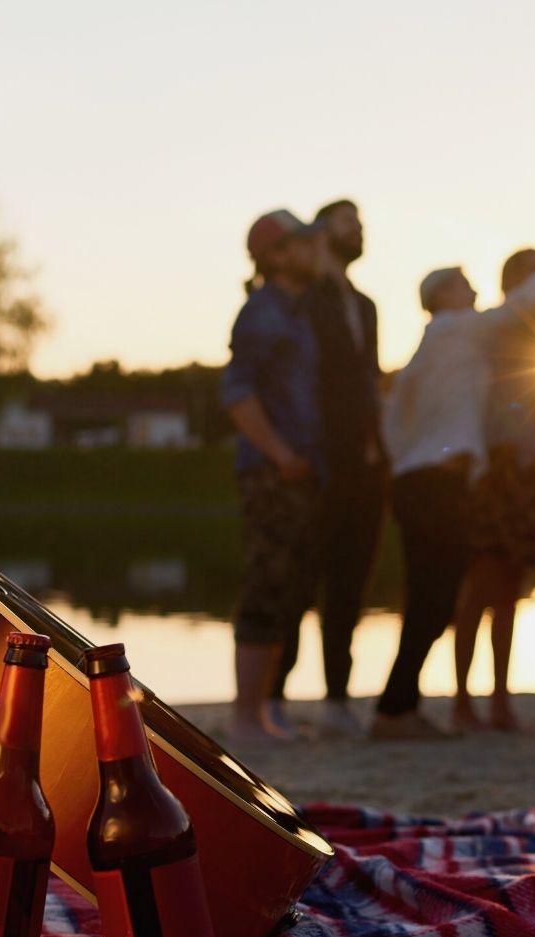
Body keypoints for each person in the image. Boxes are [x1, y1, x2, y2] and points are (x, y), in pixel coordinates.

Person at [372, 201, 535, 738]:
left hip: (428, 479)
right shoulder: (455, 329)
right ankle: (396, 711)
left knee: (433, 595)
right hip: (434, 483)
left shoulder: (441, 347)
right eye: (463, 284)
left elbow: (395, 415)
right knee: (438, 596)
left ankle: (399, 709)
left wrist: (403, 463)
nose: (473, 290)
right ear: (441, 296)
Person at [268, 199, 384, 737]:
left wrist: (376, 446)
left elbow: (369, 383)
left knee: (350, 580)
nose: (358, 230)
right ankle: (273, 696)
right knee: (299, 578)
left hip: (364, 462)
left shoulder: (366, 305)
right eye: (347, 223)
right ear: (322, 234)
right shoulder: (305, 302)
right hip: (316, 458)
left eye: (359, 224)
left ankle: (338, 697)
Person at [220, 209, 324, 743]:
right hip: (271, 472)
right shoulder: (263, 313)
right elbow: (236, 392)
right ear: (277, 255)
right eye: (303, 242)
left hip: (297, 472)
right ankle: (245, 717)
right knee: (267, 583)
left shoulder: (296, 312)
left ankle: (260, 713)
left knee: (289, 588)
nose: (314, 249)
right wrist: (281, 454)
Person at [450, 248, 535, 732]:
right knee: (479, 587)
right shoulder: (493, 330)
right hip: (493, 470)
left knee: (509, 591)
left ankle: (498, 699)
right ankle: (462, 699)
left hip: (526, 471)